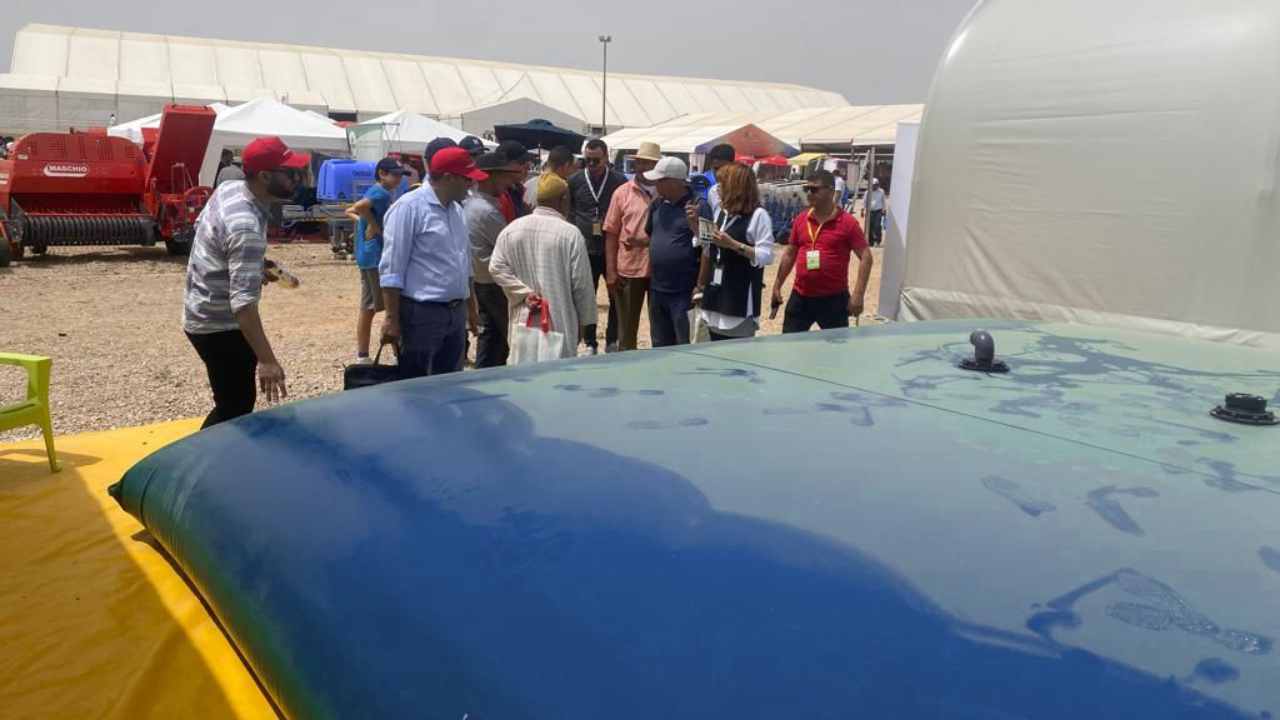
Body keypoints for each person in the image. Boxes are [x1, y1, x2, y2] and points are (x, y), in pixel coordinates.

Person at [183, 136, 307, 427]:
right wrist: (267, 360)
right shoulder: (246, 226)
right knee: (234, 408)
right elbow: (243, 306)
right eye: (290, 173)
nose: (297, 179)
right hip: (220, 326)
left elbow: (205, 230)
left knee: (231, 402)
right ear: (264, 176)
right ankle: (201, 453)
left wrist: (250, 268)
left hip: (200, 312)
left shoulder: (229, 188)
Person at [379, 147, 485, 377]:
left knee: (450, 383)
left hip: (455, 313)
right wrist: (391, 318)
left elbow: (464, 262)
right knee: (415, 383)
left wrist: (471, 308)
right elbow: (392, 268)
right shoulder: (408, 208)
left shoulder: (456, 210)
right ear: (448, 177)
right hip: (421, 314)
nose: (471, 185)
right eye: (467, 179)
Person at [489, 173, 597, 363]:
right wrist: (584, 322)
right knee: (558, 374)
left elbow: (496, 268)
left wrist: (524, 292)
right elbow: (581, 285)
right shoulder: (570, 234)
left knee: (523, 372)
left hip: (524, 319)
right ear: (564, 199)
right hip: (559, 319)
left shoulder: (512, 229)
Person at [771, 170, 874, 333]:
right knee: (790, 344)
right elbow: (790, 253)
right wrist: (777, 285)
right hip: (801, 296)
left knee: (837, 347)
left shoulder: (847, 222)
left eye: (814, 189)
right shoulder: (801, 219)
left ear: (831, 191)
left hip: (834, 299)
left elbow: (866, 257)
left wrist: (858, 294)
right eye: (807, 189)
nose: (809, 194)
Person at [694, 163, 775, 340]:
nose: (717, 189)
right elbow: (709, 248)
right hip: (716, 294)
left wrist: (734, 245)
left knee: (735, 353)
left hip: (738, 298)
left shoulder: (758, 215)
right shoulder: (722, 212)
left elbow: (767, 256)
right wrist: (695, 227)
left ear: (735, 187)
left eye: (722, 185)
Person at [568, 138, 626, 355]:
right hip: (585, 250)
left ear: (606, 158)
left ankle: (612, 339)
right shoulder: (575, 181)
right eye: (587, 160)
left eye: (596, 160)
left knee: (616, 296)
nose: (591, 165)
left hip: (612, 248)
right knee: (587, 297)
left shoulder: (618, 180)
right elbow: (569, 211)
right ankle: (590, 342)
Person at [643, 156, 709, 347]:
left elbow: (710, 247)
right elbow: (651, 236)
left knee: (687, 345)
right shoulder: (657, 204)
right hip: (657, 289)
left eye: (660, 180)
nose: (656, 184)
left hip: (684, 292)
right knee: (660, 346)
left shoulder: (699, 206)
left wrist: (700, 286)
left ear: (675, 182)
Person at [345, 157, 404, 364]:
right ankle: (398, 355)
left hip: (365, 255)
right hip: (376, 255)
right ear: (381, 174)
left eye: (400, 175)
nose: (398, 179)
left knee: (368, 308)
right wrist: (373, 224)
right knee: (392, 307)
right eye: (394, 174)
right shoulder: (381, 193)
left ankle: (363, 355)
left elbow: (350, 211)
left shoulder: (372, 191)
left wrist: (366, 223)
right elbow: (359, 206)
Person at [604, 142, 661, 351]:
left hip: (660, 269)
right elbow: (611, 234)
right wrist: (611, 272)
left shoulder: (666, 191)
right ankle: (626, 363)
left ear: (657, 165)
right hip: (629, 268)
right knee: (626, 329)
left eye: (647, 163)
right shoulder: (622, 193)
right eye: (639, 162)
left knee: (660, 328)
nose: (642, 167)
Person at [465, 152, 521, 368]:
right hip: (495, 284)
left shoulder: (471, 204)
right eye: (504, 176)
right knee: (510, 337)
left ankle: (485, 375)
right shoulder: (487, 212)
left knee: (491, 336)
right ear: (491, 177)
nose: (508, 182)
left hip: (481, 280)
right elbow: (510, 247)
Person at [497, 140, 535, 222]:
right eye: (522, 162)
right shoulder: (498, 196)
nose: (528, 167)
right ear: (506, 164)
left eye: (528, 162)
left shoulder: (518, 191)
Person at [704, 143, 736, 216]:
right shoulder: (712, 192)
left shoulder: (745, 192)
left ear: (733, 166)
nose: (720, 173)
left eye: (724, 168)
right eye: (716, 168)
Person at [864, 178, 886, 247]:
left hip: (878, 211)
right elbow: (864, 201)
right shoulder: (867, 192)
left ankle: (878, 240)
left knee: (877, 226)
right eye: (873, 185)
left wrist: (884, 210)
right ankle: (871, 242)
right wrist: (862, 209)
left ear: (878, 185)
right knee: (869, 227)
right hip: (870, 211)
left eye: (875, 185)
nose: (874, 186)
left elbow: (883, 201)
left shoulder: (881, 191)